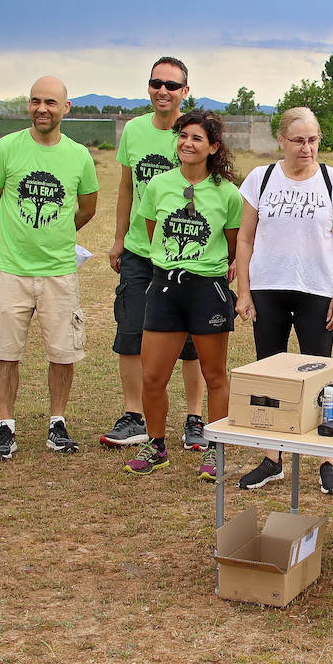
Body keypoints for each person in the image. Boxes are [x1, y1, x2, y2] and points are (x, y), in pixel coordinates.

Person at [234, 107, 333, 496]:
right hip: (268, 289)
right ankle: (272, 459)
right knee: (270, 378)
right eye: (299, 140)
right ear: (282, 141)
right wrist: (244, 292)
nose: (307, 148)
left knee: (323, 380)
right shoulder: (261, 178)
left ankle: (327, 459)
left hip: (317, 291)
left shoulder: (332, 179)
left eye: (314, 140)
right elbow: (245, 238)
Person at [0, 76, 98, 460]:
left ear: (66, 108)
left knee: (63, 352)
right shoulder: (7, 148)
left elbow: (88, 206)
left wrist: (58, 233)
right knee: (5, 351)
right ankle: (5, 426)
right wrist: (20, 234)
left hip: (59, 271)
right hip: (12, 269)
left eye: (50, 102)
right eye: (34, 101)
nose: (41, 108)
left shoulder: (78, 155)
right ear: (28, 106)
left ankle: (57, 423)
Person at [123, 111, 242, 481]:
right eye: (183, 137)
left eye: (197, 139)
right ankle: (156, 446)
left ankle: (215, 449)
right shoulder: (159, 186)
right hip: (164, 289)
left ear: (213, 147)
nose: (187, 144)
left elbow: (234, 246)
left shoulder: (228, 193)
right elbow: (153, 231)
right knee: (153, 376)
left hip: (208, 290)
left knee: (215, 374)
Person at [100, 57, 207, 452]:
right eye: (156, 83)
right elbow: (127, 188)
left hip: (183, 254)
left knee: (192, 339)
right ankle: (135, 416)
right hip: (138, 252)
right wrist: (118, 240)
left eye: (172, 85)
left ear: (185, 90)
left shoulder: (192, 133)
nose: (163, 90)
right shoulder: (134, 130)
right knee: (130, 332)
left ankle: (194, 418)